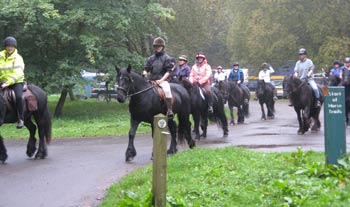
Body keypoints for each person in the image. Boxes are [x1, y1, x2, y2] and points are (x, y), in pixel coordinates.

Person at [143, 37, 176, 119]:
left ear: (162, 47)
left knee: (167, 90)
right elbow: (146, 69)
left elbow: (168, 72)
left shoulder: (167, 58)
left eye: (159, 46)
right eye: (156, 46)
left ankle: (169, 110)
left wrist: (161, 80)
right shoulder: (151, 58)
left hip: (163, 80)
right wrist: (144, 73)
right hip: (152, 80)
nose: (158, 48)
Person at [0, 36, 25, 129]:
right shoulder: (0, 56)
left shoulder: (18, 58)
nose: (9, 48)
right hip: (2, 82)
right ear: (5, 47)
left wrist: (8, 82)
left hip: (16, 82)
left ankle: (21, 118)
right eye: (8, 46)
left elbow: (18, 73)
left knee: (18, 96)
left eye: (11, 46)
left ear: (14, 47)